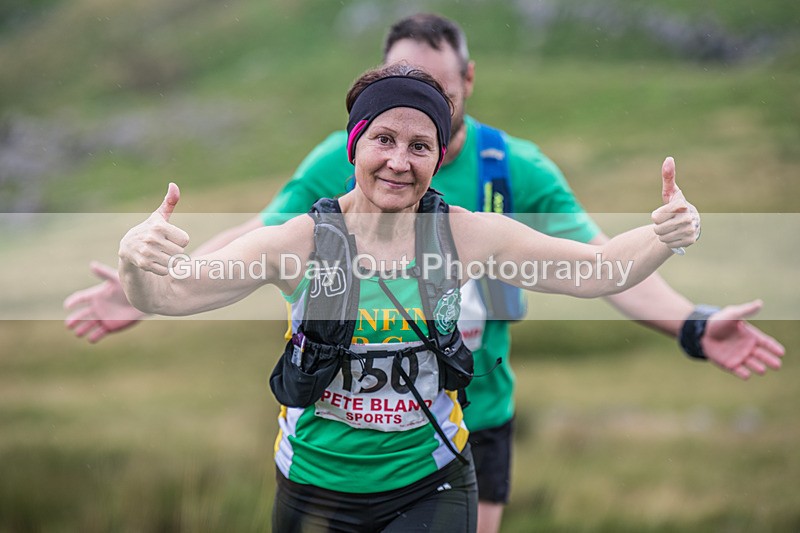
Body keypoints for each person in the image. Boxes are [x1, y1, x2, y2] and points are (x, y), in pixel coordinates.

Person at [66, 13, 785, 533]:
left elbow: (597, 271)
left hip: (434, 476)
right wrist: (138, 263)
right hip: (315, 484)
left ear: (443, 149)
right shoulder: (301, 236)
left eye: (421, 143)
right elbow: (177, 289)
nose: (399, 160)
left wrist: (665, 238)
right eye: (383, 138)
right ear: (353, 147)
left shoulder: (476, 222)